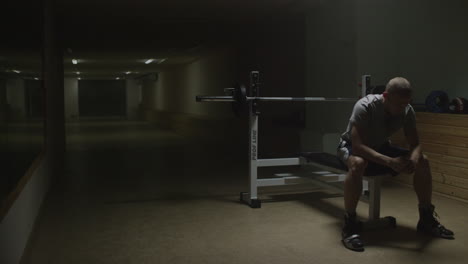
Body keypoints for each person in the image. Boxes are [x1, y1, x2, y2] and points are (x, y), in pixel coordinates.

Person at [337, 77, 454, 252]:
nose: (403, 108)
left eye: (407, 103)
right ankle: (350, 223)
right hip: (350, 147)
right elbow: (358, 146)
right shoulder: (365, 106)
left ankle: (426, 218)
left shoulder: (407, 110)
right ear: (386, 96)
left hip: (382, 147)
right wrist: (390, 162)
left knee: (423, 160)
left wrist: (413, 161)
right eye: (399, 103)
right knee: (358, 163)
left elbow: (415, 144)